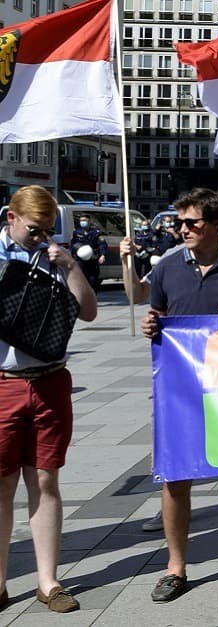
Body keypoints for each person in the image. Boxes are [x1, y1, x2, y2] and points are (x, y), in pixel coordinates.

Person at [131, 188, 218, 603]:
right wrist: (151, 325)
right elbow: (156, 313)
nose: (182, 229)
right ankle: (175, 568)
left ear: (215, 225)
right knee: (176, 480)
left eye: (190, 222)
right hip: (179, 390)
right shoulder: (168, 267)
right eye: (180, 222)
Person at [0, 185, 97, 613]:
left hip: (50, 381)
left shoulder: (55, 258)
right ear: (12, 219)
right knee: (2, 485)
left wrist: (70, 265)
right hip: (4, 382)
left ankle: (48, 581)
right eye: (34, 230)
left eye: (48, 230)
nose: (42, 238)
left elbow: (89, 311)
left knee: (45, 479)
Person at [70, 213, 107, 292]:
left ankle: (93, 296)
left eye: (84, 220)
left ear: (89, 221)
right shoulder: (77, 232)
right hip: (80, 260)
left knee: (92, 281)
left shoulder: (96, 233)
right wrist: (73, 255)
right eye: (81, 221)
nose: (82, 222)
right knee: (81, 279)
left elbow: (102, 244)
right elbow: (73, 245)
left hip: (92, 260)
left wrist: (102, 255)